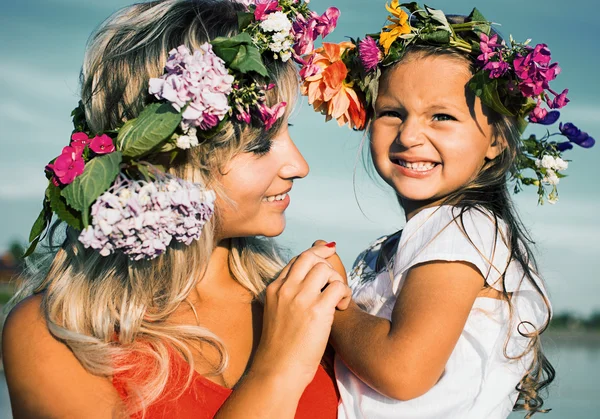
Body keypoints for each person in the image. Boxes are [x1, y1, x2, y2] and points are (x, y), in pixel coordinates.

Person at [1, 0, 351, 418]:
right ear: (169, 154)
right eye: (258, 144)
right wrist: (279, 369)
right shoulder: (57, 334)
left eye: (284, 132)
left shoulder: (304, 296)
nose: (300, 166)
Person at [300, 2, 594, 418]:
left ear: (496, 140)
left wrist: (330, 301)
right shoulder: (422, 237)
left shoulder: (460, 228)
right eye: (391, 113)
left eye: (441, 116)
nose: (410, 135)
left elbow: (402, 370)